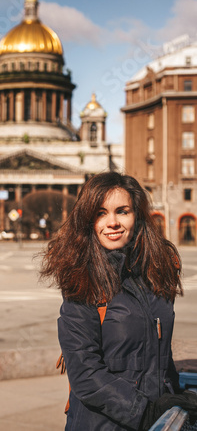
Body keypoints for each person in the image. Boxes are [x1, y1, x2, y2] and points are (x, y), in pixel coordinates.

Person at [40, 172, 197, 430]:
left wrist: (173, 393)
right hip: (102, 424)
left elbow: (160, 353)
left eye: (122, 211)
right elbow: (86, 374)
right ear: (88, 221)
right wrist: (145, 412)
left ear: (137, 216)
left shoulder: (157, 271)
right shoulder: (82, 278)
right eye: (100, 213)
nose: (112, 222)